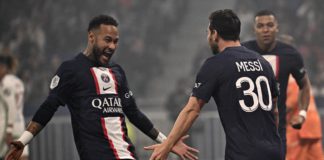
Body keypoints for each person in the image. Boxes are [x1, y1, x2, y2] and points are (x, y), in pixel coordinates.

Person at [5, 15, 198, 160]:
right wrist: (23, 140)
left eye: (115, 41)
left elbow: (134, 114)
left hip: (127, 155)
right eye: (107, 40)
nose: (112, 46)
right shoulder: (71, 69)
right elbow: (48, 107)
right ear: (91, 37)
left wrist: (167, 142)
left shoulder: (117, 71)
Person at [145, 9, 282, 160]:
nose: (208, 37)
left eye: (208, 32)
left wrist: (167, 144)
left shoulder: (215, 64)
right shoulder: (263, 63)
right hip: (274, 151)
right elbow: (274, 111)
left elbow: (192, 110)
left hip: (244, 153)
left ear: (214, 34)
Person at [242, 10, 312, 157]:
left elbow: (304, 85)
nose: (265, 30)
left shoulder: (290, 54)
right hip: (246, 132)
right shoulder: (242, 52)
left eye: (270, 25)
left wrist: (302, 113)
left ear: (277, 27)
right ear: (254, 29)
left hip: (276, 132)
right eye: (260, 26)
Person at [286, 76, 323, 160]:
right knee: (316, 157)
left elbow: (290, 104)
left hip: (299, 128)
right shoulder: (299, 76)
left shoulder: (290, 78)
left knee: (294, 157)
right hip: (313, 126)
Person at [0, 55, 29, 160]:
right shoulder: (19, 82)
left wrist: (8, 130)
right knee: (23, 157)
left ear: (3, 67)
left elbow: (11, 107)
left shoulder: (5, 83)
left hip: (8, 128)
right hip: (20, 125)